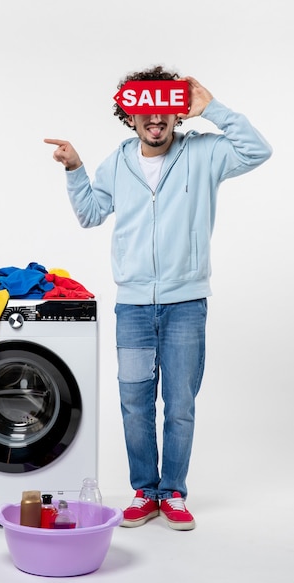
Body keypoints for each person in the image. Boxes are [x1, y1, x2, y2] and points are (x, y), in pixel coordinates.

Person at [44, 66, 272, 531]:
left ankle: (174, 493)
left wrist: (213, 107)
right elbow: (90, 214)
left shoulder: (204, 153)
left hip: (186, 303)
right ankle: (145, 490)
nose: (155, 118)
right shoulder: (118, 161)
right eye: (145, 109)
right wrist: (75, 169)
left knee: (181, 402)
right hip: (132, 306)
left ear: (176, 113)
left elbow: (258, 150)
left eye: (164, 109)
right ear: (130, 114)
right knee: (135, 401)